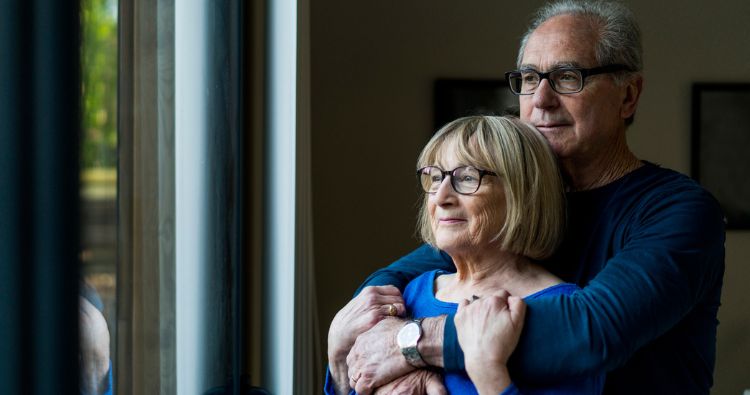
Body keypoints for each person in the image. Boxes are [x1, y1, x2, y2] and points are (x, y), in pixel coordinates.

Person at [342, 1, 725, 394]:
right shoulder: (511, 201)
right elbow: (390, 282)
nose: (540, 99)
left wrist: (412, 343)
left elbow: (590, 332)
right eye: (528, 79)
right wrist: (377, 343)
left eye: (567, 77)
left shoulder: (678, 210)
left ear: (628, 95)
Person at [326, 116, 604, 394]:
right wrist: (338, 360)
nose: (441, 196)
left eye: (468, 177)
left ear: (524, 193)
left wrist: (488, 370)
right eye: (436, 177)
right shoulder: (409, 295)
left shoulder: (563, 312)